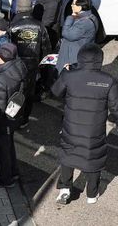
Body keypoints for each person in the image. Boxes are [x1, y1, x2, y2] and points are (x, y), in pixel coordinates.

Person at [52, 43, 118, 205]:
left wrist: (64, 72)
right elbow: (116, 108)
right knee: (93, 158)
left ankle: (65, 189)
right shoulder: (109, 81)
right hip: (94, 131)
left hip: (71, 127)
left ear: (80, 58)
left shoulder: (69, 76)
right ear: (100, 60)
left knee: (68, 155)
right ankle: (92, 194)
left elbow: (55, 91)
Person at [0, 43, 27, 188]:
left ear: (1, 59)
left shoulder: (1, 81)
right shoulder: (20, 67)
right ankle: (14, 171)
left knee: (2, 149)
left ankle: (6, 179)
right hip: (15, 114)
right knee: (9, 145)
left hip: (4, 120)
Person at [9, 0, 51, 126]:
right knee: (29, 92)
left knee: (16, 91)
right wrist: (42, 65)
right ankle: (24, 119)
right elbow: (46, 48)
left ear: (18, 8)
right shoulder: (40, 26)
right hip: (33, 65)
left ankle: (13, 117)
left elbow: (8, 47)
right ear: (31, 8)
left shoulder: (13, 26)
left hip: (16, 64)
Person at [56, 0, 98, 73]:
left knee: (67, 76)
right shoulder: (91, 16)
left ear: (80, 7)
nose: (71, 5)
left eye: (73, 4)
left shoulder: (85, 23)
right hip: (76, 52)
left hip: (72, 57)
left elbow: (66, 33)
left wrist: (71, 17)